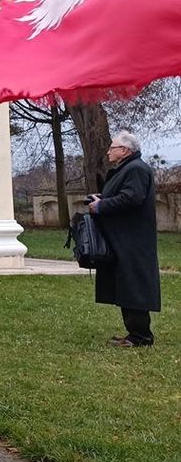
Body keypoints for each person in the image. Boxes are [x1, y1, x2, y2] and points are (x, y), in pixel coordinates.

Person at [88, 131, 161, 347]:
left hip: (133, 240)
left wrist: (101, 206)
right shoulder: (127, 169)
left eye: (113, 147)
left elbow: (132, 197)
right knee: (127, 286)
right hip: (125, 239)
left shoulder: (136, 169)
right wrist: (101, 198)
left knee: (134, 287)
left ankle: (141, 337)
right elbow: (124, 195)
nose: (109, 151)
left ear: (125, 151)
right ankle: (134, 334)